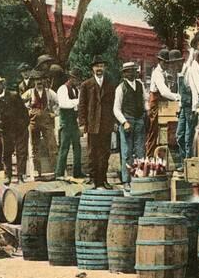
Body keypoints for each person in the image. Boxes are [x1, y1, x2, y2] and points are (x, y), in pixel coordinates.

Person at [78, 56, 117, 188]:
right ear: (92, 69)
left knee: (105, 153)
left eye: (101, 66)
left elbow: (114, 105)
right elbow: (82, 105)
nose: (99, 69)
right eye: (96, 66)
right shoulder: (86, 85)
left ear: (104, 68)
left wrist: (115, 122)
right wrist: (83, 123)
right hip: (92, 123)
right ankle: (93, 179)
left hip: (106, 124)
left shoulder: (110, 85)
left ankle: (103, 179)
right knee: (92, 152)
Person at [113, 62, 149, 191]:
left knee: (140, 151)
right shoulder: (120, 88)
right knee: (127, 152)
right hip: (127, 121)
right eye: (128, 71)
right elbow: (116, 109)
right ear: (124, 74)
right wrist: (124, 122)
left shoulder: (140, 85)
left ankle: (139, 178)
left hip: (139, 120)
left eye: (133, 71)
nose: (132, 73)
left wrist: (147, 111)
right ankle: (126, 181)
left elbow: (145, 100)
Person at [0, 75, 30, 185]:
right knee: (6, 153)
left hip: (20, 129)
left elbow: (24, 111)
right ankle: (8, 176)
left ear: (3, 84)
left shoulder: (14, 95)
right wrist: (0, 129)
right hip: (6, 132)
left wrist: (24, 125)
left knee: (21, 152)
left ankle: (21, 176)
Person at [22, 71, 59, 179]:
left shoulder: (49, 92)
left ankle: (56, 170)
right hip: (33, 122)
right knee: (35, 147)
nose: (39, 82)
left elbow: (58, 102)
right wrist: (27, 111)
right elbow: (20, 103)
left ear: (43, 81)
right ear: (34, 82)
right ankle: (38, 172)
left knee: (52, 145)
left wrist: (55, 113)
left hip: (47, 121)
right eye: (37, 80)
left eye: (41, 80)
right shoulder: (29, 92)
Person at [145, 48, 181, 156]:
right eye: (164, 62)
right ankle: (149, 157)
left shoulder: (165, 73)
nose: (166, 64)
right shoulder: (157, 73)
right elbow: (164, 92)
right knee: (153, 132)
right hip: (156, 105)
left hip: (163, 106)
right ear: (159, 61)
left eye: (168, 62)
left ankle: (161, 157)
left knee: (164, 132)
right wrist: (177, 97)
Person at [55, 68, 86, 180]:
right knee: (64, 148)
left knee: (77, 148)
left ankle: (77, 172)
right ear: (71, 78)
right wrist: (77, 101)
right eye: (77, 79)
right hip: (65, 123)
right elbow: (64, 104)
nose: (78, 82)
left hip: (74, 123)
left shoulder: (76, 90)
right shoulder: (62, 89)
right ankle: (59, 173)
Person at [172, 50, 196, 171]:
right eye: (172, 64)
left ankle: (189, 164)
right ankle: (184, 161)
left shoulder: (188, 72)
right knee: (179, 136)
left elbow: (195, 92)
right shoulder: (179, 74)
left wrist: (194, 109)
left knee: (188, 138)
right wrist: (179, 107)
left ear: (180, 62)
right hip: (183, 108)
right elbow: (180, 94)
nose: (174, 66)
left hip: (190, 108)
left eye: (175, 63)